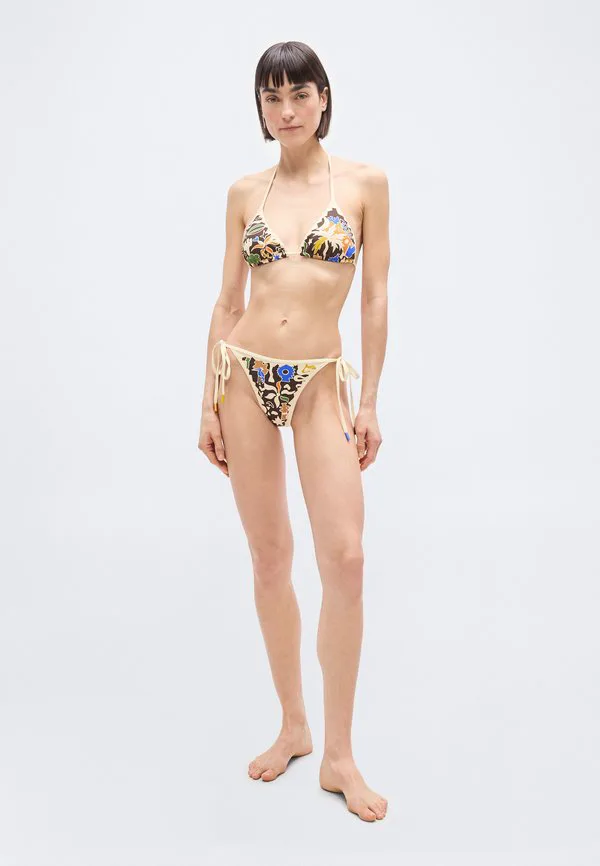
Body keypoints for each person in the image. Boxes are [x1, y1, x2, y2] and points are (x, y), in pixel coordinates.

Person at [197, 41, 390, 822]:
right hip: (243, 376)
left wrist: (369, 401)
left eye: (299, 94)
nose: (286, 110)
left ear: (323, 97)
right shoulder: (245, 191)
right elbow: (226, 301)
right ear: (260, 108)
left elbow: (374, 298)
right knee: (270, 557)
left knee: (345, 559)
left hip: (318, 383)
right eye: (272, 98)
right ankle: (294, 726)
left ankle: (340, 756)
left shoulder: (365, 185)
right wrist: (205, 401)